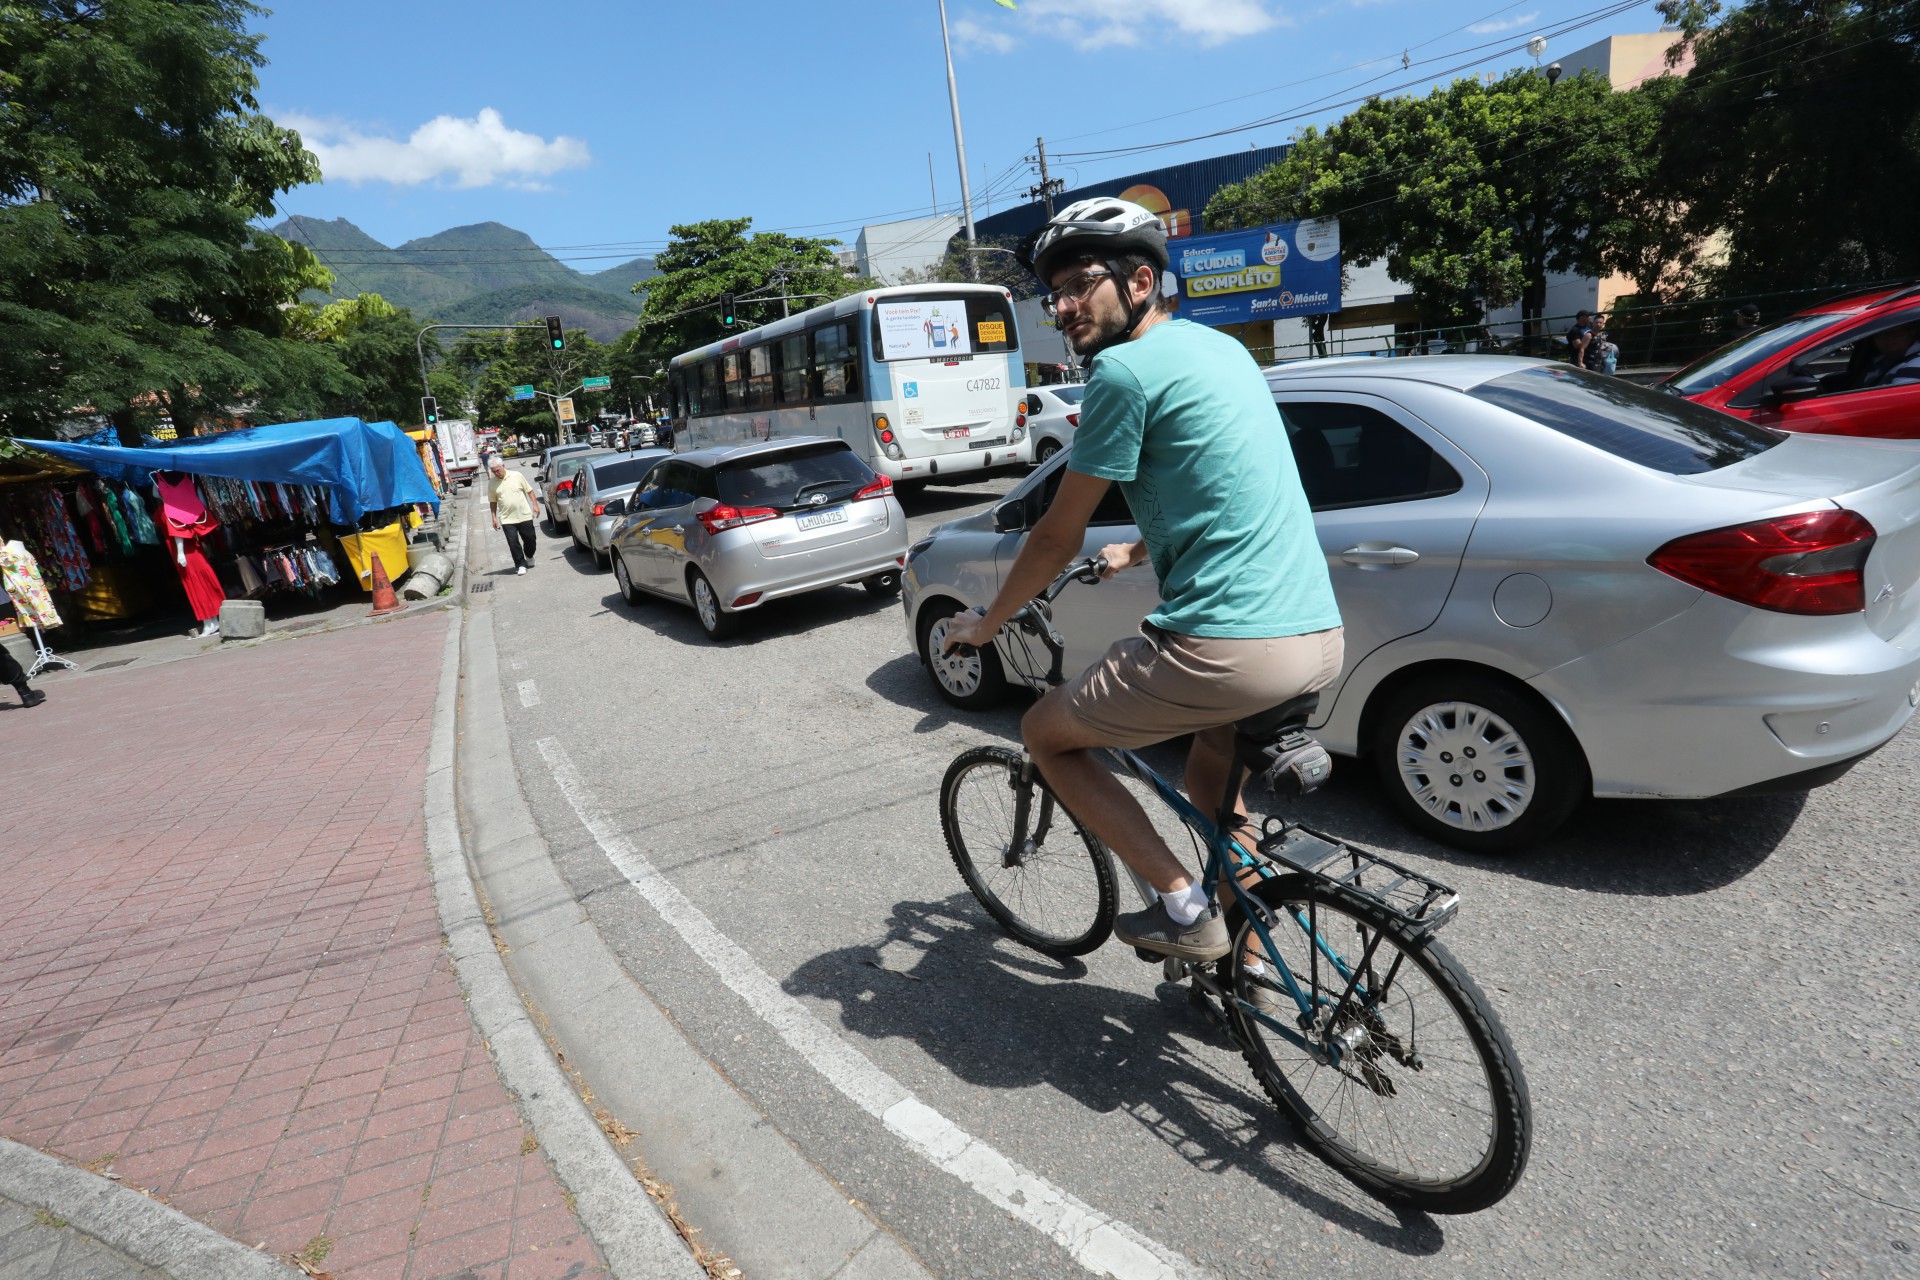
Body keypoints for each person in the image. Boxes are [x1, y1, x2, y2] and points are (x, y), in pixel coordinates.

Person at [941, 197, 1344, 963]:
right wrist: (1135, 550)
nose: (1063, 307)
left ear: (1139, 282)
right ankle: (1253, 974)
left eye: (1078, 285)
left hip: (1230, 649)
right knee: (1213, 788)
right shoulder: (1221, 350)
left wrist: (987, 624)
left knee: (1045, 734)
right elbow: (1225, 495)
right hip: (1316, 634)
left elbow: (1055, 536)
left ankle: (1185, 908)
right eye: (1053, 293)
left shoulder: (1122, 373)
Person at [486, 454, 541, 575]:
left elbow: (530, 491)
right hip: (507, 518)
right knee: (513, 543)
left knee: (530, 539)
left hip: (524, 515)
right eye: (494, 472)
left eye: (498, 470)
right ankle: (520, 564)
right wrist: (494, 517)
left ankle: (529, 555)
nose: (496, 473)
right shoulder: (492, 483)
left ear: (503, 466)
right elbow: (493, 501)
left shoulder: (517, 475)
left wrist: (535, 506)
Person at [1859, 321, 1920, 388]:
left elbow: (1902, 394)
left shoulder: (1916, 363)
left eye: (1896, 332)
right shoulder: (1877, 362)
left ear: (1911, 332)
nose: (1889, 338)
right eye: (1882, 333)